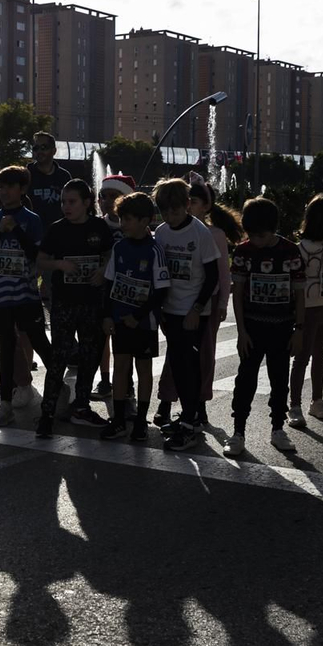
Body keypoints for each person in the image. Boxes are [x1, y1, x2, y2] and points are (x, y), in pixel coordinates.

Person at [223, 196, 306, 457]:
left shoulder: (290, 251)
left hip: (282, 327)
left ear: (274, 228)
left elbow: (300, 293)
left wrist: (299, 330)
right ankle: (238, 432)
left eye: (261, 235)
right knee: (245, 379)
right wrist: (241, 332)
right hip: (252, 327)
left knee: (280, 379)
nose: (257, 241)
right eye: (252, 235)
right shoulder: (244, 252)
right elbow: (237, 294)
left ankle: (278, 429)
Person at [0, 165, 55, 426]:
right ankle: (6, 404)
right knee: (6, 348)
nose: (5, 191)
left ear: (22, 189)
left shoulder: (32, 219)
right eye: (2, 186)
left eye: (10, 186)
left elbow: (36, 256)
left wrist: (15, 230)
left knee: (40, 343)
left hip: (26, 295)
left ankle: (57, 393)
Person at [36, 179, 115, 434]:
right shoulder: (57, 229)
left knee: (90, 356)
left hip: (92, 303)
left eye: (72, 202)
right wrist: (60, 265)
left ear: (86, 203)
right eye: (63, 202)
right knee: (59, 357)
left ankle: (82, 406)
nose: (66, 207)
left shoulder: (99, 227)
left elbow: (110, 254)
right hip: (64, 303)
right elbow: (40, 260)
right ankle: (47, 413)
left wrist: (103, 271)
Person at [152, 178, 221, 449]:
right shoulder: (161, 232)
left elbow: (212, 276)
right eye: (165, 212)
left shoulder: (199, 233)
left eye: (175, 211)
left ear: (187, 207)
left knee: (190, 366)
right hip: (170, 310)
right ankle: (186, 417)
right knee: (178, 365)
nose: (170, 217)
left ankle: (191, 421)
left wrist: (196, 309)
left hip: (194, 312)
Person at [101, 191, 169, 440]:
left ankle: (141, 420)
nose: (124, 224)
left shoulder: (154, 250)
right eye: (122, 219)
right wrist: (108, 316)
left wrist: (138, 315)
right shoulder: (119, 247)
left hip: (143, 323)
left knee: (143, 370)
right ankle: (118, 419)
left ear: (145, 220)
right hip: (119, 320)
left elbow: (161, 291)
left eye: (129, 219)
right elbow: (109, 284)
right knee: (120, 368)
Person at [291, 195, 323, 426]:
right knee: (302, 357)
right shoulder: (300, 248)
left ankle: (317, 400)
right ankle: (294, 405)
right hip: (308, 308)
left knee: (320, 353)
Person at [94, 175, 136, 397]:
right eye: (104, 196)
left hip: (124, 292)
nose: (108, 201)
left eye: (114, 196)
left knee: (123, 341)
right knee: (102, 338)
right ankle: (103, 379)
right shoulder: (96, 225)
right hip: (100, 290)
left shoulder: (132, 227)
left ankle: (126, 383)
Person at [27, 132, 72, 213]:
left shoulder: (64, 176)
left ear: (54, 151)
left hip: (57, 225)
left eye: (44, 147)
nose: (39, 151)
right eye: (36, 148)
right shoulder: (26, 173)